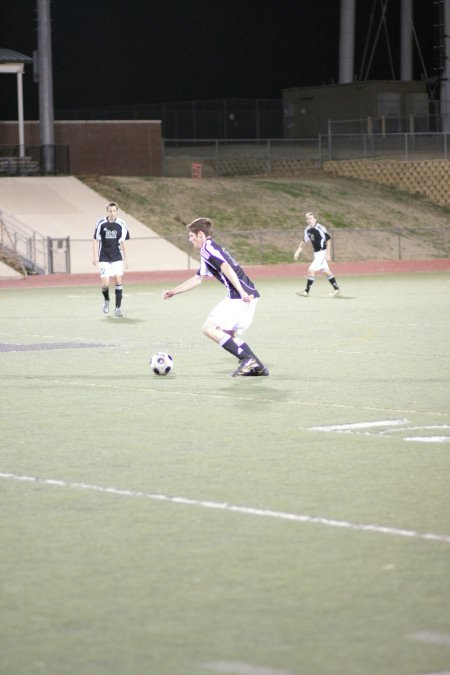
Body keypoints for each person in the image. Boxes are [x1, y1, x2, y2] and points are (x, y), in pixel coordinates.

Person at [163, 217, 268, 377]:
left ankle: (247, 360)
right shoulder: (210, 249)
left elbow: (226, 267)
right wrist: (174, 291)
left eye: (191, 236)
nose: (190, 240)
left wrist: (241, 292)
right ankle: (258, 367)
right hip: (248, 295)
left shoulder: (207, 248)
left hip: (240, 297)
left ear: (200, 234)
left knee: (209, 328)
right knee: (228, 335)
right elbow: (198, 279)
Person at [92, 202, 130, 317]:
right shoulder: (100, 223)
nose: (112, 213)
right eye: (110, 211)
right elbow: (95, 240)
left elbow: (123, 242)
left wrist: (126, 259)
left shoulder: (122, 224)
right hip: (103, 257)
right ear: (107, 211)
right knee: (105, 284)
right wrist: (95, 256)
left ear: (117, 211)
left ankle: (118, 308)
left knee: (118, 280)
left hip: (117, 257)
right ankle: (106, 300)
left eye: (114, 211)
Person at [293, 212, 341, 297]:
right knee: (325, 271)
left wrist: (328, 254)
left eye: (311, 218)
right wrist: (298, 251)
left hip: (322, 253)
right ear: (306, 220)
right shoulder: (307, 229)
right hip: (316, 253)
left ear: (315, 219)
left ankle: (306, 291)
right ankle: (336, 289)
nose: (310, 220)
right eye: (308, 218)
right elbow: (304, 240)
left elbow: (328, 239)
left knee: (311, 270)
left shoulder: (320, 228)